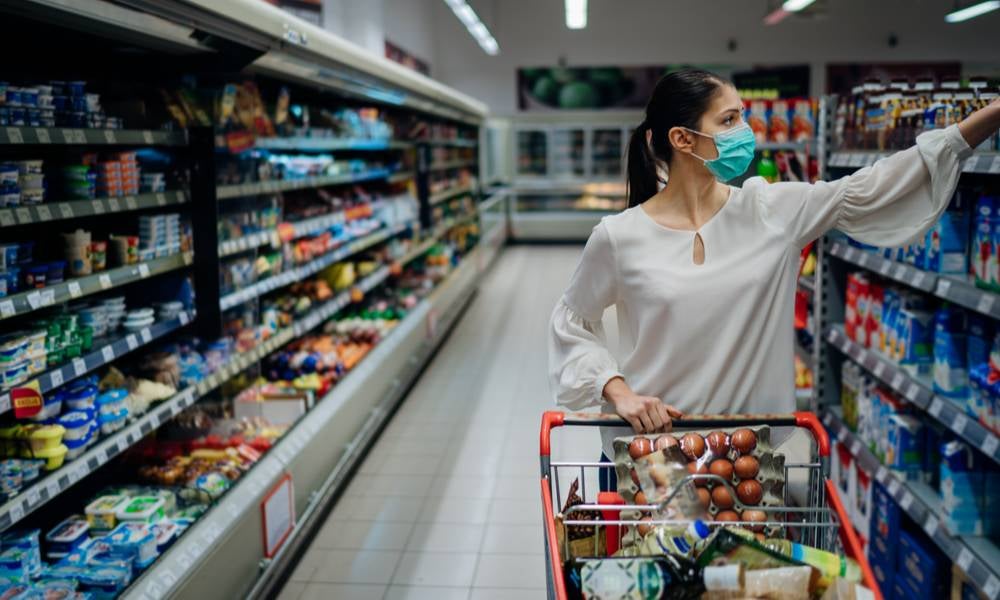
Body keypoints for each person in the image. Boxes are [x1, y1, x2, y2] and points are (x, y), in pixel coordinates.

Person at [547, 69, 1000, 491]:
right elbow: (571, 323)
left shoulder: (771, 212)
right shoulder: (619, 236)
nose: (746, 132)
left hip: (747, 462)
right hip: (649, 456)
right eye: (729, 120)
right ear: (682, 139)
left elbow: (875, 186)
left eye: (743, 117)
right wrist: (616, 389)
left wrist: (984, 120)